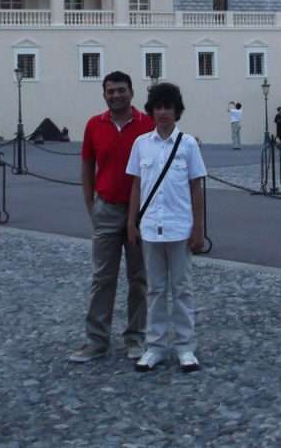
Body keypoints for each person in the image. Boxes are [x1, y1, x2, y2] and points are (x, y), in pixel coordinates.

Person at [69, 71, 155, 364]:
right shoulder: (95, 125)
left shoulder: (148, 124)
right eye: (111, 91)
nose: (116, 95)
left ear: (132, 92)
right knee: (102, 277)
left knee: (139, 278)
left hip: (141, 212)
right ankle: (97, 341)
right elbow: (87, 164)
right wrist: (90, 203)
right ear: (104, 95)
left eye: (121, 90)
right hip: (106, 208)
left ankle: (136, 338)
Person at [127, 82, 207, 373]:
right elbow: (136, 185)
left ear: (177, 111)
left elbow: (196, 187)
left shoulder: (188, 145)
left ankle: (186, 347)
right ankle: (156, 346)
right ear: (151, 111)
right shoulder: (141, 144)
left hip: (179, 228)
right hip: (150, 227)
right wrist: (131, 224)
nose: (163, 112)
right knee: (155, 290)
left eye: (168, 107)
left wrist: (199, 229)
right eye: (158, 107)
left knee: (182, 289)